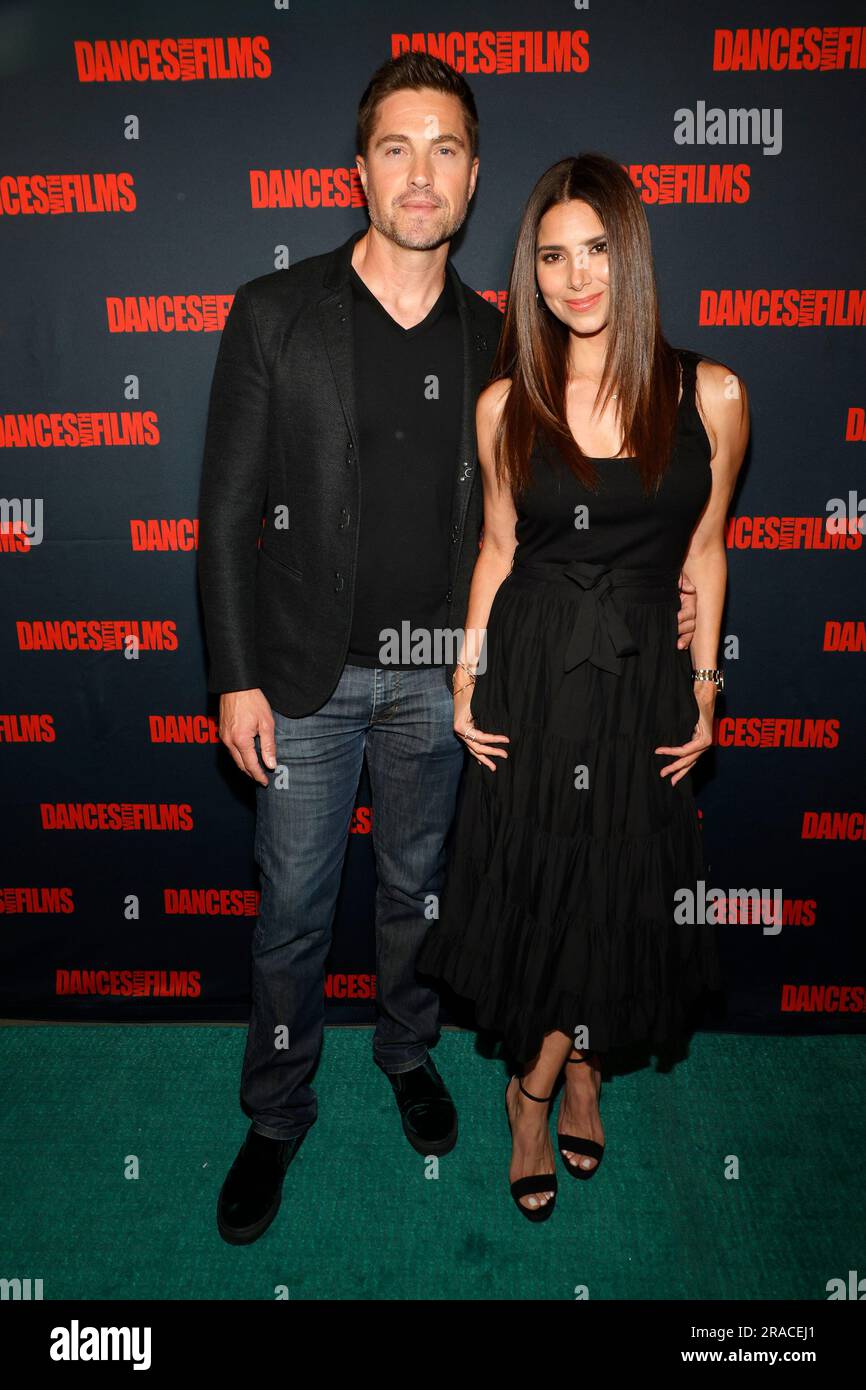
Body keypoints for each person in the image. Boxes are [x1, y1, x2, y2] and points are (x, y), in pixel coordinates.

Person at [198, 52, 697, 1247]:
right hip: (302, 678)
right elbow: (222, 516)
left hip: (448, 680)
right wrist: (231, 675)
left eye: (445, 150)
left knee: (418, 898)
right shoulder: (274, 315)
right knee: (292, 914)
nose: (419, 173)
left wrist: (661, 594)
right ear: (358, 167)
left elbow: (582, 497)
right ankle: (274, 1111)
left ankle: (407, 1052)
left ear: (472, 181)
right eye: (394, 146)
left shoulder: (505, 344)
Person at [417, 153, 750, 1221]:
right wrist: (464, 683)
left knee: (617, 883)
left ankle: (567, 1068)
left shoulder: (711, 393)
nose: (575, 277)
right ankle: (543, 1087)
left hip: (643, 673)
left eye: (596, 250)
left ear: (631, 253)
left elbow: (704, 552)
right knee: (548, 880)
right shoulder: (503, 402)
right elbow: (498, 550)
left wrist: (703, 689)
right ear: (530, 271)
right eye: (552, 256)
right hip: (535, 668)